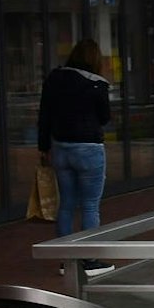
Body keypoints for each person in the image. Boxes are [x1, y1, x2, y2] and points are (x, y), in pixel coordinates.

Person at [37, 38, 114, 277]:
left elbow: (44, 115)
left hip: (60, 148)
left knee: (67, 203)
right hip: (89, 149)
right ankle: (90, 260)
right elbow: (104, 117)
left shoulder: (54, 78)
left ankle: (66, 260)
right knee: (90, 205)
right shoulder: (96, 84)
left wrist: (43, 147)